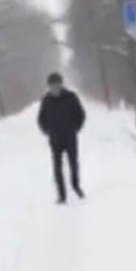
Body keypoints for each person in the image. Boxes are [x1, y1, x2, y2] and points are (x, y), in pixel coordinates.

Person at [37, 72, 86, 203]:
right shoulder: (46, 100)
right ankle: (61, 195)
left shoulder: (71, 97)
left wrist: (76, 128)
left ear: (61, 84)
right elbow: (41, 119)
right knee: (57, 168)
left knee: (73, 164)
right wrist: (47, 130)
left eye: (57, 85)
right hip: (55, 139)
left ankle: (76, 186)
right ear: (49, 86)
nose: (55, 88)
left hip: (70, 136)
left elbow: (81, 114)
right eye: (52, 86)